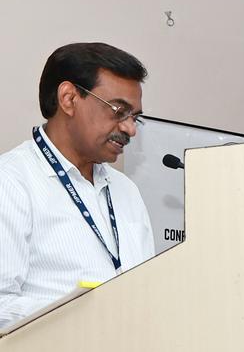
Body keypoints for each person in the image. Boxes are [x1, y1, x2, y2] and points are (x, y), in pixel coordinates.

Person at [0, 43, 155, 328]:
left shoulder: (127, 191)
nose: (130, 129)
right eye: (118, 110)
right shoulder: (10, 181)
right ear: (69, 99)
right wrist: (87, 314)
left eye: (135, 117)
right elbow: (2, 305)